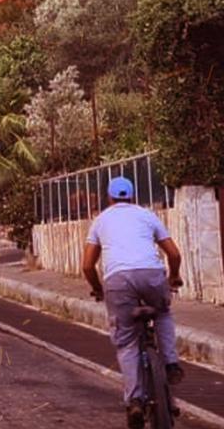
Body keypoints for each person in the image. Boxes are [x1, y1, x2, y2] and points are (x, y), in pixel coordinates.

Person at [82, 176, 185, 428]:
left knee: (127, 341)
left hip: (118, 280)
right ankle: (171, 363)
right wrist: (173, 277)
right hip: (151, 274)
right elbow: (173, 253)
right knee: (162, 314)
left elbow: (87, 265)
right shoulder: (146, 215)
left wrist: (98, 289)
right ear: (132, 196)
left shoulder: (101, 220)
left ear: (109, 197)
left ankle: (135, 401)